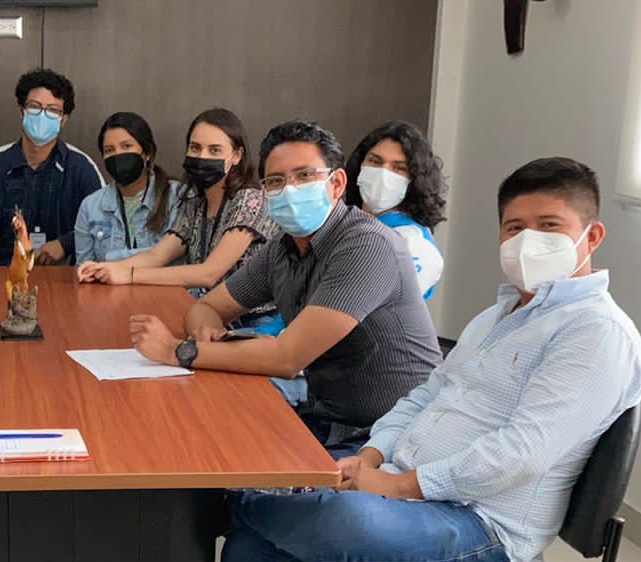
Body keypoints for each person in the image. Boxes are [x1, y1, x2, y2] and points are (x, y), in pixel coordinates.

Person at [207, 157, 641, 562]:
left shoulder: (596, 334)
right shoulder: (498, 316)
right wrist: (372, 454)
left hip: (484, 532)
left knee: (308, 511)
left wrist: (399, 485)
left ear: (591, 235)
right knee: (253, 552)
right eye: (514, 227)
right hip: (404, 490)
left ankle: (231, 503)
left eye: (549, 225)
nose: (527, 241)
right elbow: (422, 397)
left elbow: (522, 453)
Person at [128, 121, 440, 458]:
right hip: (327, 421)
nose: (290, 190)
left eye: (304, 176)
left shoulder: (366, 245)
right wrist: (206, 333)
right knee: (198, 439)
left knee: (233, 468)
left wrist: (178, 351)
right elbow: (208, 307)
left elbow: (287, 358)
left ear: (337, 183)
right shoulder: (283, 248)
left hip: (391, 437)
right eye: (276, 181)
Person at [79, 108, 281, 322]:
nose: (202, 157)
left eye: (214, 150)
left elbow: (209, 273)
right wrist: (105, 269)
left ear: (237, 155)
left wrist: (128, 275)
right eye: (195, 148)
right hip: (207, 315)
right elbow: (157, 256)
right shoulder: (194, 203)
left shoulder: (251, 200)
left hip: (253, 323)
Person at [0, 67, 104, 266]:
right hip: (1, 275)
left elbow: (103, 227)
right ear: (22, 111)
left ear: (64, 119)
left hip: (63, 278)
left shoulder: (81, 167)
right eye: (35, 106)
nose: (42, 115)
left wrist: (65, 244)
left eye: (53, 110)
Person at [347, 120, 448, 302]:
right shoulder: (347, 228)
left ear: (414, 180)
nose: (383, 173)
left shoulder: (413, 244)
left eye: (399, 168)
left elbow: (353, 306)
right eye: (375, 161)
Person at [73, 111, 181, 263]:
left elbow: (174, 259)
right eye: (109, 150)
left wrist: (110, 261)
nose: (118, 155)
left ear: (146, 153)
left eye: (126, 146)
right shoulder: (90, 207)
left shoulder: (178, 197)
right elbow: (84, 268)